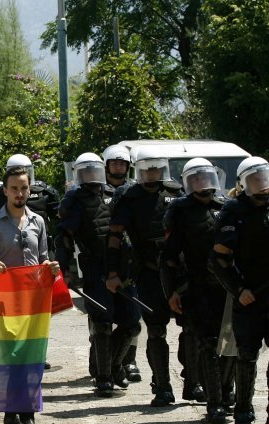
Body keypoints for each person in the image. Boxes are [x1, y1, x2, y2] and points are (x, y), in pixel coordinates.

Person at [0, 166, 59, 424]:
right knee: (15, 357)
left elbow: (43, 257)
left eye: (24, 188)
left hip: (33, 301)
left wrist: (51, 267)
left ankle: (12, 413)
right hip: (3, 301)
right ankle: (27, 414)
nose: (20, 193)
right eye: (14, 188)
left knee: (27, 357)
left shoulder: (39, 221)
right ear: (5, 190)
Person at [57, 153, 140, 397]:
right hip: (95, 267)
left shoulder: (124, 193)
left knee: (132, 323)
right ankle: (103, 377)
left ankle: (113, 365)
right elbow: (64, 237)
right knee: (102, 323)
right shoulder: (75, 199)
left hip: (124, 268)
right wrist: (68, 270)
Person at [107, 146, 184, 407]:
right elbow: (115, 237)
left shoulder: (176, 193)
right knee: (156, 330)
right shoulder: (128, 196)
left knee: (196, 329)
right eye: (147, 167)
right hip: (148, 272)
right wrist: (113, 272)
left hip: (180, 271)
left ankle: (196, 381)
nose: (153, 172)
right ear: (140, 169)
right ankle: (162, 386)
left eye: (156, 167)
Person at [161, 158, 228, 424]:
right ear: (189, 183)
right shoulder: (180, 211)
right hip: (196, 287)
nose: (203, 183)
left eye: (206, 177)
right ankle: (215, 403)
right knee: (208, 344)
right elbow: (168, 257)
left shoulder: (225, 209)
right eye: (197, 179)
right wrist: (172, 291)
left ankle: (227, 393)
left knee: (233, 347)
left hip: (226, 288)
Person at [211, 156, 269, 424]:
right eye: (255, 179)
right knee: (247, 353)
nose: (262, 184)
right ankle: (243, 409)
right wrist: (238, 289)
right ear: (245, 183)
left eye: (265, 177)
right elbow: (219, 259)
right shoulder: (234, 210)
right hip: (250, 294)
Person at [100, 144, 142, 384]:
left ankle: (129, 361)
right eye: (114, 163)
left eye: (122, 163)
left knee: (133, 318)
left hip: (128, 261)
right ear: (106, 165)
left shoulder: (134, 191)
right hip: (101, 258)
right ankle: (103, 365)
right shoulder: (94, 189)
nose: (118, 167)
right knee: (101, 321)